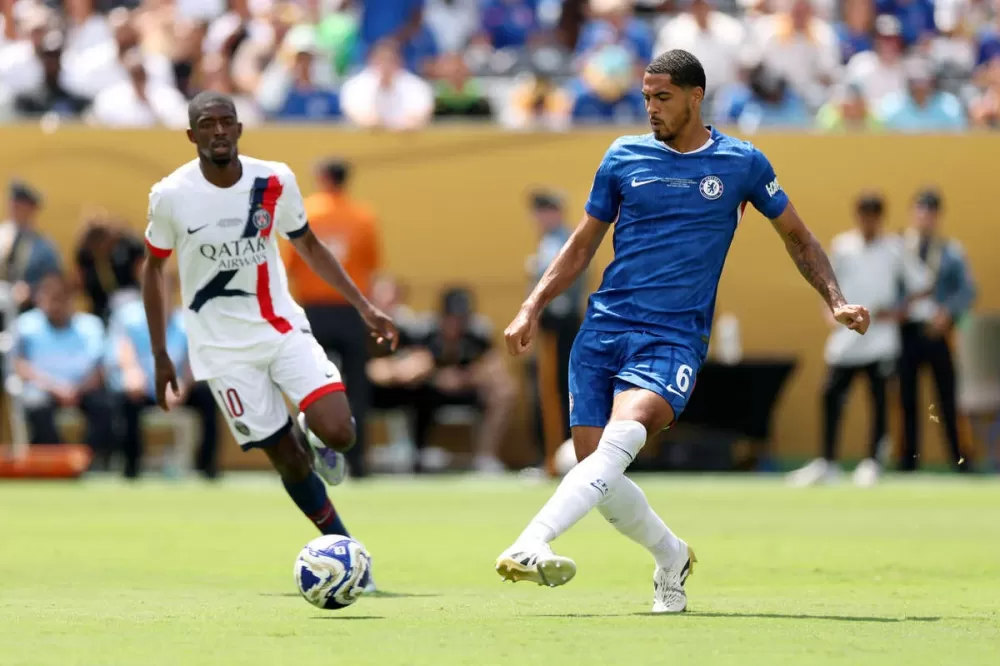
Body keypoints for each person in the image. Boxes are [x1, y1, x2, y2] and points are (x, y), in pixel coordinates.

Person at [494, 50, 871, 613]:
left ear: (695, 97)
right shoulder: (623, 156)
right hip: (603, 331)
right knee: (598, 466)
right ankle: (671, 557)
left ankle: (532, 540)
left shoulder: (742, 163)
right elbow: (582, 244)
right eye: (646, 97)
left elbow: (798, 235)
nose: (651, 108)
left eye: (662, 97)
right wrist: (532, 305)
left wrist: (836, 300)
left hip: (673, 338)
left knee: (628, 433)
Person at [142, 92, 397, 586]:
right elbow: (154, 269)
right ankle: (347, 556)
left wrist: (364, 307)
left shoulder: (274, 180)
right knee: (286, 457)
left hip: (280, 327)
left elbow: (309, 245)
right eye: (207, 124)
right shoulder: (171, 195)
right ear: (192, 136)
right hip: (219, 349)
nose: (218, 131)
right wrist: (160, 352)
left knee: (342, 431)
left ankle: (316, 432)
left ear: (239, 130)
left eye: (226, 122)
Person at [787, 192, 929, 488]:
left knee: (878, 400)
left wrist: (898, 312)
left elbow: (922, 284)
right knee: (830, 396)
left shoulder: (895, 249)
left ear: (881, 217)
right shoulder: (843, 247)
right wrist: (832, 311)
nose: (868, 221)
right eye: (864, 215)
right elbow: (826, 280)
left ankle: (873, 462)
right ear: (857, 216)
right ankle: (827, 462)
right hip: (846, 338)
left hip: (880, 339)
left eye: (874, 216)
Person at [284, 158, 381, 478]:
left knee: (309, 385)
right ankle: (358, 461)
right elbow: (370, 267)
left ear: (322, 177)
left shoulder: (307, 211)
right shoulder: (363, 217)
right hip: (351, 310)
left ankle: (303, 455)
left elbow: (290, 264)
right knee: (357, 388)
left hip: (314, 311)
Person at [106, 275, 219, 480]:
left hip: (177, 388)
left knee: (208, 396)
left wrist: (182, 386)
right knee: (123, 399)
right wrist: (132, 373)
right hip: (143, 388)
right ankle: (130, 467)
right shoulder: (127, 317)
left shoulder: (187, 320)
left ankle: (207, 466)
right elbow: (124, 350)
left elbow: (194, 360)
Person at [899, 189, 977, 472]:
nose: (925, 218)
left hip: (939, 333)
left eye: (931, 213)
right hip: (907, 332)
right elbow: (890, 286)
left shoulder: (951, 251)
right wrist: (900, 309)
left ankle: (960, 458)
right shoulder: (900, 247)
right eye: (921, 211)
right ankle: (907, 460)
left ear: (938, 216)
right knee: (906, 400)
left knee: (948, 399)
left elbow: (967, 291)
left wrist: (948, 313)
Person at [12, 274, 114, 462]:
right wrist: (55, 387)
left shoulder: (90, 326)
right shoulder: (26, 325)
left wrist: (77, 390)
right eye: (51, 299)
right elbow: (18, 365)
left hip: (83, 389)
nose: (56, 305)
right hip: (43, 388)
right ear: (39, 299)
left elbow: (100, 369)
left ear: (71, 299)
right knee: (35, 405)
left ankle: (86, 460)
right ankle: (57, 460)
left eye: (61, 298)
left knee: (105, 406)